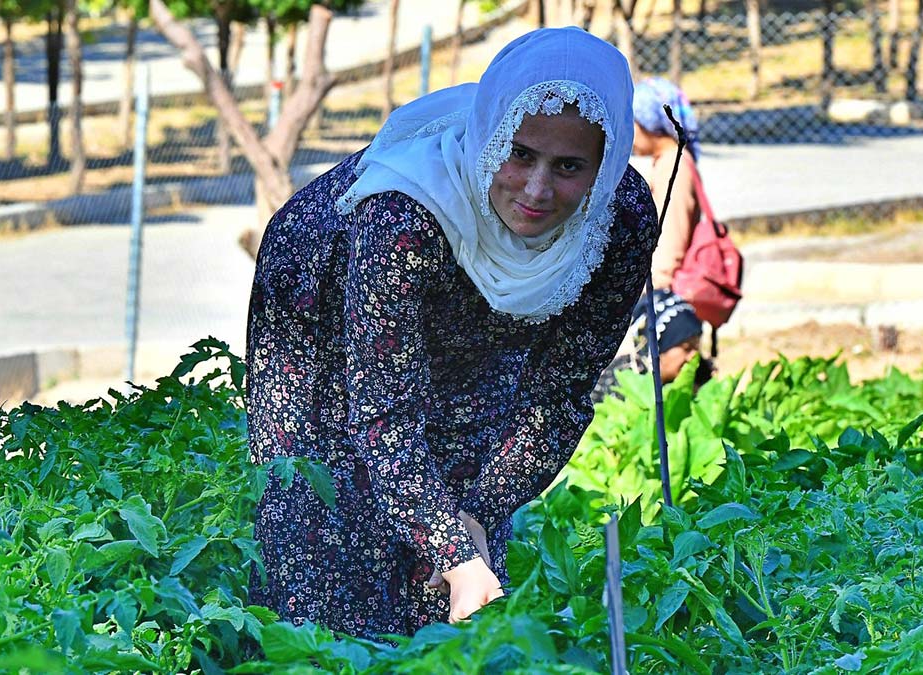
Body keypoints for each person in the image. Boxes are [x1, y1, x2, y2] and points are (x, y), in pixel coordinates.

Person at [243, 27, 659, 640]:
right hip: (323, 311)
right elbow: (383, 414)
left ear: (604, 166)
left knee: (463, 508)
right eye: (520, 154)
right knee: (322, 522)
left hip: (477, 323)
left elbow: (560, 393)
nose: (537, 190)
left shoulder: (618, 220)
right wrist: (455, 553)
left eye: (569, 167)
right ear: (492, 136)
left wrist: (477, 515)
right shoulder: (399, 220)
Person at [631, 76, 702, 292]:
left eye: (631, 121)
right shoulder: (669, 161)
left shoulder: (673, 166)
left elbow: (669, 239)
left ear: (648, 122)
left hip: (667, 294)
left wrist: (649, 295)